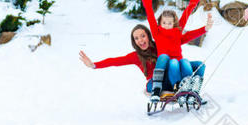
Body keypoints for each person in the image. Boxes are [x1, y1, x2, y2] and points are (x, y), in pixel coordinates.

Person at [79, 24, 207, 96]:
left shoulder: (159, 45)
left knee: (200, 65)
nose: (140, 40)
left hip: (171, 75)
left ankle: (193, 90)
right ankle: (179, 88)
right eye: (136, 38)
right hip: (156, 83)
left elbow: (182, 39)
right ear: (134, 41)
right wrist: (94, 65)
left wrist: (204, 30)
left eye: (142, 36)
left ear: (148, 36)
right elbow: (115, 61)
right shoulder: (136, 56)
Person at [140, 0, 213, 105]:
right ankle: (175, 89)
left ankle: (192, 91)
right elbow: (150, 17)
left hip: (181, 66)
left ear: (174, 23)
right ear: (160, 23)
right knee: (171, 60)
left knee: (199, 65)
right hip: (168, 69)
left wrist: (205, 28)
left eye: (170, 23)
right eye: (164, 23)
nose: (167, 25)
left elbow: (187, 14)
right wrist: (147, 4)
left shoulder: (177, 32)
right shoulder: (157, 32)